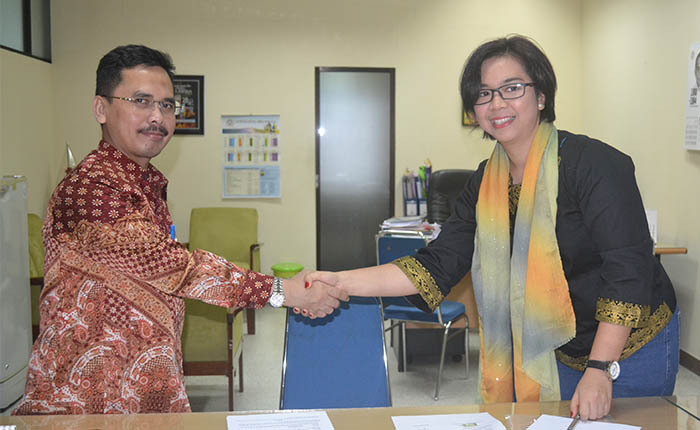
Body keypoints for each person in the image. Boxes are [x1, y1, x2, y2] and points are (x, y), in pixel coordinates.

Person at [305, 35, 678, 421]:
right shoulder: (485, 183)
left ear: (541, 96)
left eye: (512, 88)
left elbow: (628, 268)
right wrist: (339, 281)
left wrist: (600, 368)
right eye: (484, 94)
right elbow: (436, 265)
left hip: (629, 346)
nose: (497, 103)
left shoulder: (593, 164)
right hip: (553, 349)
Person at [13, 44, 347, 415]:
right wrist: (286, 292)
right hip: (87, 407)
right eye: (141, 101)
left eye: (167, 105)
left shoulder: (142, 185)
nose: (157, 117)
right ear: (101, 109)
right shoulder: (90, 188)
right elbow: (176, 268)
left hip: (142, 397)